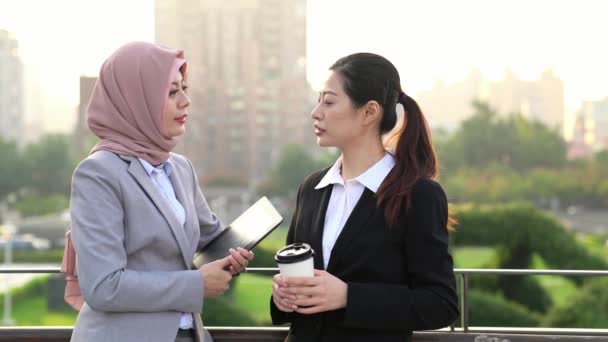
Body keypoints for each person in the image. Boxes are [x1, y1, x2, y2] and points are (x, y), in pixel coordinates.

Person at [69, 42, 254, 342]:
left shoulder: (180, 169)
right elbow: (104, 286)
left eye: (185, 88)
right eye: (171, 92)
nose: (186, 101)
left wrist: (236, 251)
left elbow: (211, 238)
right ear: (136, 101)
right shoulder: (98, 174)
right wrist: (196, 285)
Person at [270, 53, 459, 341]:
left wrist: (349, 296)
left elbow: (439, 303)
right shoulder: (312, 188)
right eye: (318, 100)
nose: (316, 112)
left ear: (369, 112)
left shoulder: (418, 195)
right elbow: (297, 281)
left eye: (329, 101)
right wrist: (282, 298)